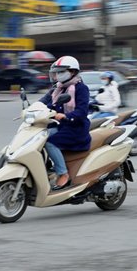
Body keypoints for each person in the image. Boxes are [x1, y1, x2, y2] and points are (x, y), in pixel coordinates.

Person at [40, 56, 91, 189]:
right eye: (57, 72)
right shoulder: (58, 88)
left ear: (73, 72)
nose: (58, 75)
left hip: (75, 129)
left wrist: (66, 116)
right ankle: (46, 167)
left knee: (50, 142)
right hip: (60, 126)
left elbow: (82, 112)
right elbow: (45, 102)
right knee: (38, 136)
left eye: (61, 72)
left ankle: (63, 174)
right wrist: (31, 109)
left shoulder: (81, 89)